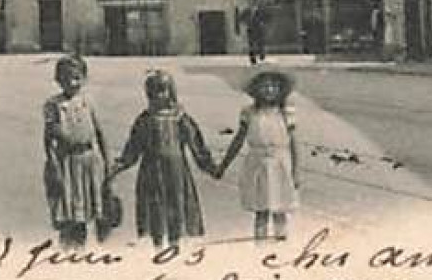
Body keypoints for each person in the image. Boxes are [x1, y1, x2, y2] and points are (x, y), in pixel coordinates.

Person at [111, 68, 218, 250]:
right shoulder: (145, 119)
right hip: (151, 171)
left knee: (176, 205)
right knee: (155, 207)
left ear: (171, 92)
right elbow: (134, 146)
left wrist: (209, 166)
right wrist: (120, 165)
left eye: (163, 90)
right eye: (154, 92)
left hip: (176, 172)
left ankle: (175, 243)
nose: (159, 96)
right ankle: (157, 245)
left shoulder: (180, 118)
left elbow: (196, 144)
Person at [216, 68, 300, 240]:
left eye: (273, 86)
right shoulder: (249, 113)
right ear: (255, 89)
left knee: (280, 207)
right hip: (257, 163)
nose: (269, 90)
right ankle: (260, 244)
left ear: (280, 89)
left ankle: (281, 241)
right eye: (264, 86)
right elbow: (238, 140)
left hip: (280, 162)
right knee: (261, 208)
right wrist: (224, 165)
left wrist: (296, 171)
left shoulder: (285, 113)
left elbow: (293, 143)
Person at [42, 55, 110, 248]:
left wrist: (107, 163)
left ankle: (87, 249)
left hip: (89, 160)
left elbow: (99, 133)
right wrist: (54, 164)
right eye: (66, 79)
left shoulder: (88, 102)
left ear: (84, 78)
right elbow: (48, 139)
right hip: (67, 162)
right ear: (58, 80)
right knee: (71, 212)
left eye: (77, 78)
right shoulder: (54, 106)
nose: (72, 83)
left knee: (91, 209)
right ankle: (70, 249)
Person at [245, 0, 268, 65]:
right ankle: (253, 59)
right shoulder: (247, 12)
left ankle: (261, 56)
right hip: (251, 31)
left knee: (260, 44)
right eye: (252, 5)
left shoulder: (260, 12)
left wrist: (262, 25)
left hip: (258, 31)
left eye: (254, 5)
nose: (253, 7)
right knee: (252, 46)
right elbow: (243, 19)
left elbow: (263, 20)